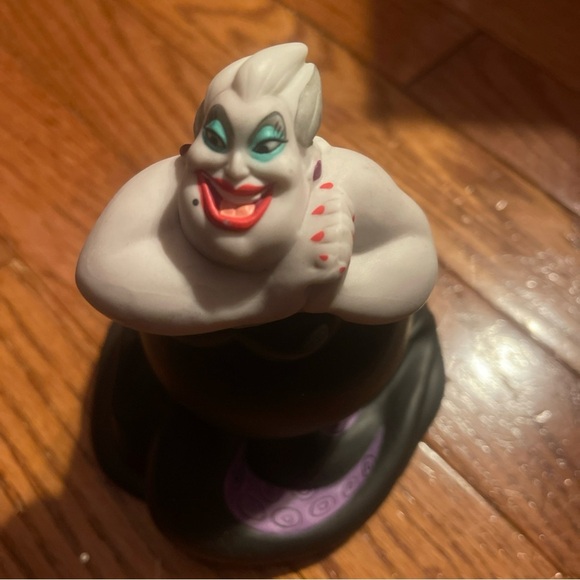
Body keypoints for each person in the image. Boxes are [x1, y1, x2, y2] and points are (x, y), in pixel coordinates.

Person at [76, 43, 437, 337]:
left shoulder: (347, 181)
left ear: (307, 157)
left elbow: (415, 256)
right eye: (216, 140)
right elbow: (101, 272)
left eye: (265, 146)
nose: (235, 168)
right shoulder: (165, 185)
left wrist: (331, 287)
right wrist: (275, 290)